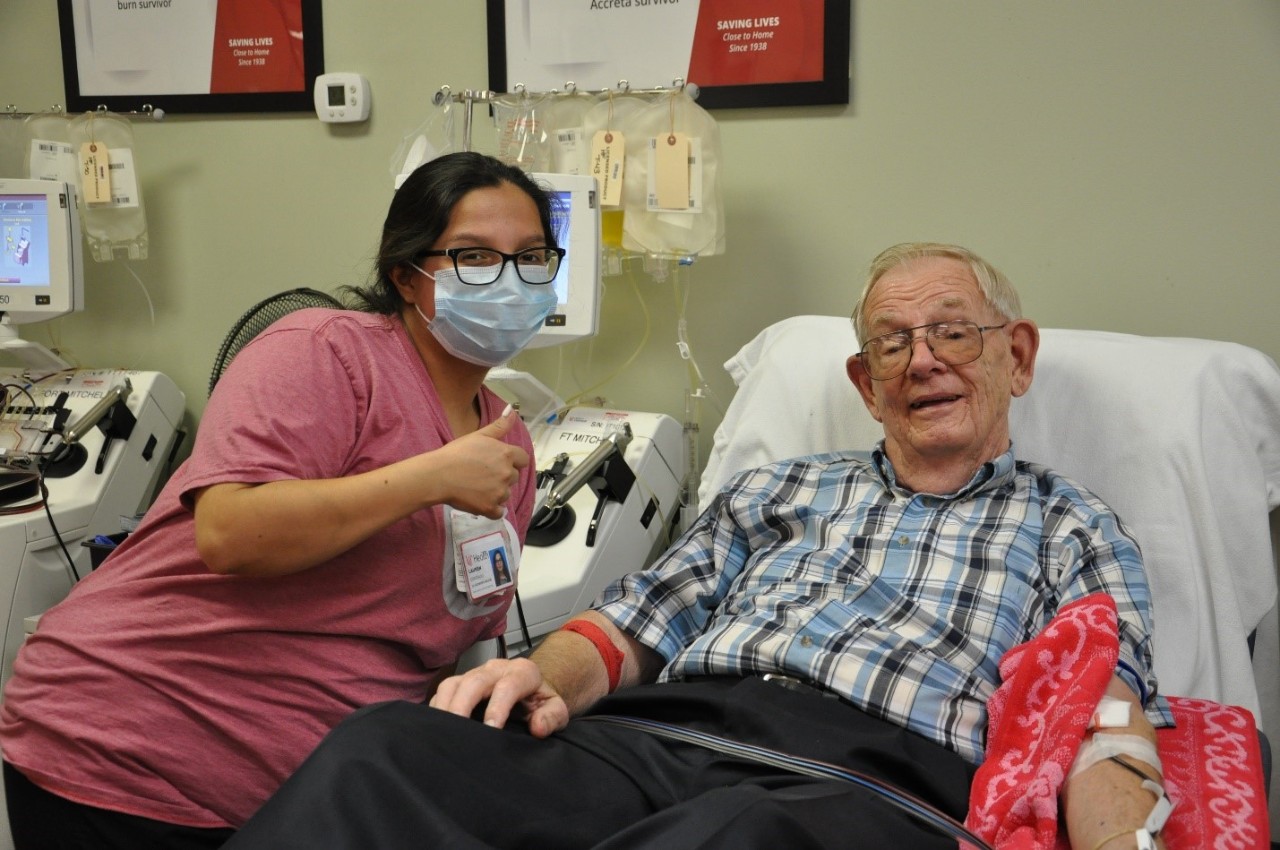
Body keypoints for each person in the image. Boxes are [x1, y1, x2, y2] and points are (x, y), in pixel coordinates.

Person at [222, 243, 1173, 850]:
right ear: (865, 381)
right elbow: (638, 620)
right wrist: (545, 678)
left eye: (953, 334)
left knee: (733, 837)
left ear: (1018, 356)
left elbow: (1106, 724)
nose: (921, 360)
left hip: (866, 785)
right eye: (892, 343)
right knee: (386, 749)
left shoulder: (1071, 526)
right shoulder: (779, 491)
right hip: (658, 736)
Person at [0, 151, 568, 848]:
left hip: (301, 794)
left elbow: (434, 656)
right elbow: (231, 533)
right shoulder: (325, 353)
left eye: (532, 257)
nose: (508, 281)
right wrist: (430, 477)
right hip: (129, 752)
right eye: (474, 257)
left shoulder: (506, 445)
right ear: (406, 274)